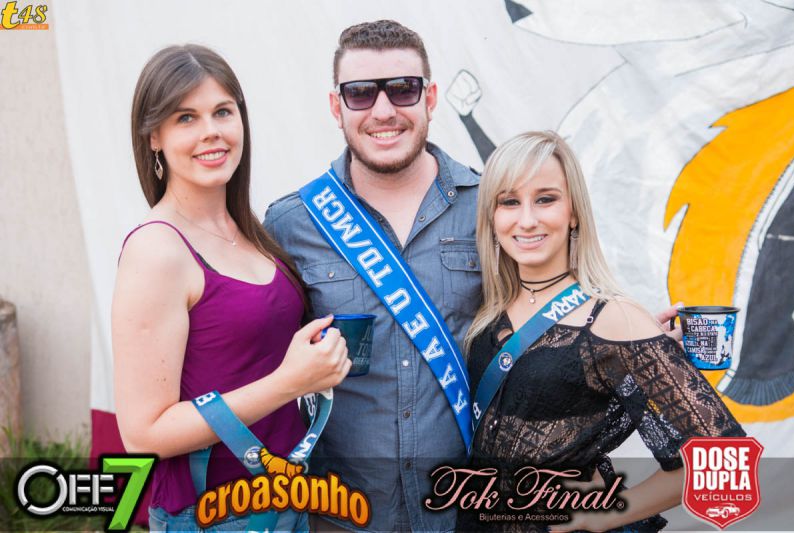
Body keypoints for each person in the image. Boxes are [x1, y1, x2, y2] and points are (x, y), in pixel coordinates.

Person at [457, 131, 745, 532]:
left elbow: (726, 461)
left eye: (545, 199)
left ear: (574, 212)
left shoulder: (614, 317)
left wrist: (606, 513)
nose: (527, 219)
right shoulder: (488, 311)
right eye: (509, 202)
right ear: (492, 217)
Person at [113, 44, 350, 532]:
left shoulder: (250, 231)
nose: (211, 131)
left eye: (223, 111)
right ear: (154, 136)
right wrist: (289, 382)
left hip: (286, 501)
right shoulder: (156, 250)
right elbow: (144, 435)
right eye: (186, 118)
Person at [263, 20, 482, 532]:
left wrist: (627, 332)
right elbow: (254, 348)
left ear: (430, 98)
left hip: (467, 512)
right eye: (360, 93)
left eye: (403, 89)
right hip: (343, 515)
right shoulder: (291, 223)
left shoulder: (491, 206)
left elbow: (547, 312)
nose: (383, 111)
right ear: (336, 106)